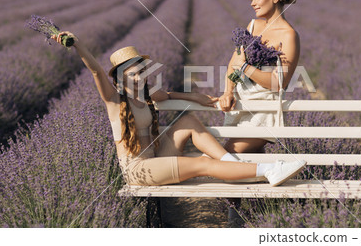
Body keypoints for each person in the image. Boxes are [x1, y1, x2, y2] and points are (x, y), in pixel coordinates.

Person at [52, 32, 306, 188]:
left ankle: (232, 163)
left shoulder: (148, 95)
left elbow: (170, 95)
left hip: (157, 156)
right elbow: (96, 70)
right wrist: (77, 44)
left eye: (141, 72)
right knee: (200, 166)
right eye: (132, 75)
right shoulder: (114, 101)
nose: (139, 78)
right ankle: (266, 170)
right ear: (119, 81)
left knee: (189, 120)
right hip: (139, 169)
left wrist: (197, 97)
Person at [219, 0, 301, 161]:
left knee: (229, 154)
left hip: (265, 110)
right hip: (242, 103)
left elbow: (279, 83)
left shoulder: (289, 35)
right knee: (249, 161)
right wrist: (228, 92)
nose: (252, 2)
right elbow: (233, 64)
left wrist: (246, 68)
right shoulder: (253, 26)